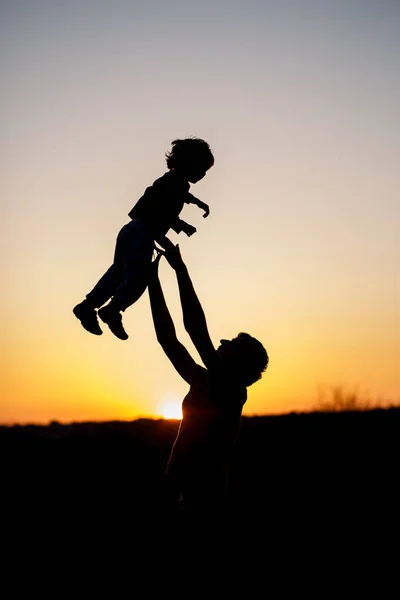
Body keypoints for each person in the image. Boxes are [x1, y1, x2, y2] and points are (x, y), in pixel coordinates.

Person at [148, 240, 269, 515]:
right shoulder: (207, 382)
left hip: (203, 497)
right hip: (178, 487)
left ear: (238, 360)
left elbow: (195, 330)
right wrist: (152, 281)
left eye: (233, 342)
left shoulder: (231, 390)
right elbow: (168, 341)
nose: (223, 340)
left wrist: (180, 269)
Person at [73, 137, 214, 340]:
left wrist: (197, 204)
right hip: (141, 232)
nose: (202, 175)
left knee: (118, 273)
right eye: (201, 169)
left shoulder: (173, 183)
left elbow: (176, 198)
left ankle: (88, 306)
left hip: (131, 230)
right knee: (139, 278)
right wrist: (181, 224)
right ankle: (113, 309)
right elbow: (162, 209)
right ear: (188, 164)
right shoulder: (174, 184)